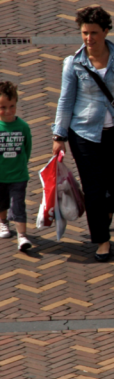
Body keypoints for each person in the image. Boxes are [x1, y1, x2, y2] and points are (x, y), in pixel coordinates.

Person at [52, 6, 114, 262]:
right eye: (85, 33)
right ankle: (102, 240)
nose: (89, 38)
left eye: (94, 33)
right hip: (84, 134)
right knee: (94, 189)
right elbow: (65, 101)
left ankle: (107, 211)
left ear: (106, 31)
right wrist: (59, 136)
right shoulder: (73, 64)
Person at [0, 81, 33, 251]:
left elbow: (27, 148)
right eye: (3, 107)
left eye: (11, 106)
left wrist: (21, 165)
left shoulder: (23, 127)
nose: (7, 111)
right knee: (2, 203)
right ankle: (3, 222)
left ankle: (22, 236)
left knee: (18, 205)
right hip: (0, 176)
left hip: (19, 176)